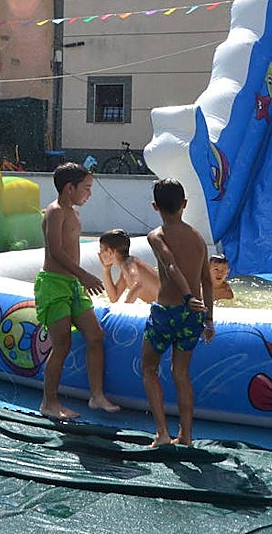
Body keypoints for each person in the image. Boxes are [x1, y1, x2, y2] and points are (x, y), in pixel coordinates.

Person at [35, 162, 121, 420]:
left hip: (71, 284)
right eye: (86, 188)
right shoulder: (55, 211)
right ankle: (49, 402)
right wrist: (84, 275)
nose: (90, 194)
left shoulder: (72, 212)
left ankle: (96, 396)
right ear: (69, 188)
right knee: (62, 343)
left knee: (95, 335)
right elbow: (56, 251)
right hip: (54, 284)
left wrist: (78, 279)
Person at [141, 178, 215, 446]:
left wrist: (186, 296)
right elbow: (208, 281)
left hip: (167, 312)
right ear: (184, 204)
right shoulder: (197, 238)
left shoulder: (156, 236)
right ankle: (186, 436)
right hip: (191, 317)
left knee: (149, 368)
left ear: (155, 206)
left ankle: (162, 433)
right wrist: (208, 318)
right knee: (181, 373)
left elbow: (169, 265)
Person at [97, 228, 159, 304]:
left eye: (101, 249)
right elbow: (114, 297)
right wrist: (106, 269)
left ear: (110, 252)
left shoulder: (128, 264)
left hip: (169, 307)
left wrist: (125, 308)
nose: (99, 253)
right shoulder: (126, 270)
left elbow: (138, 285)